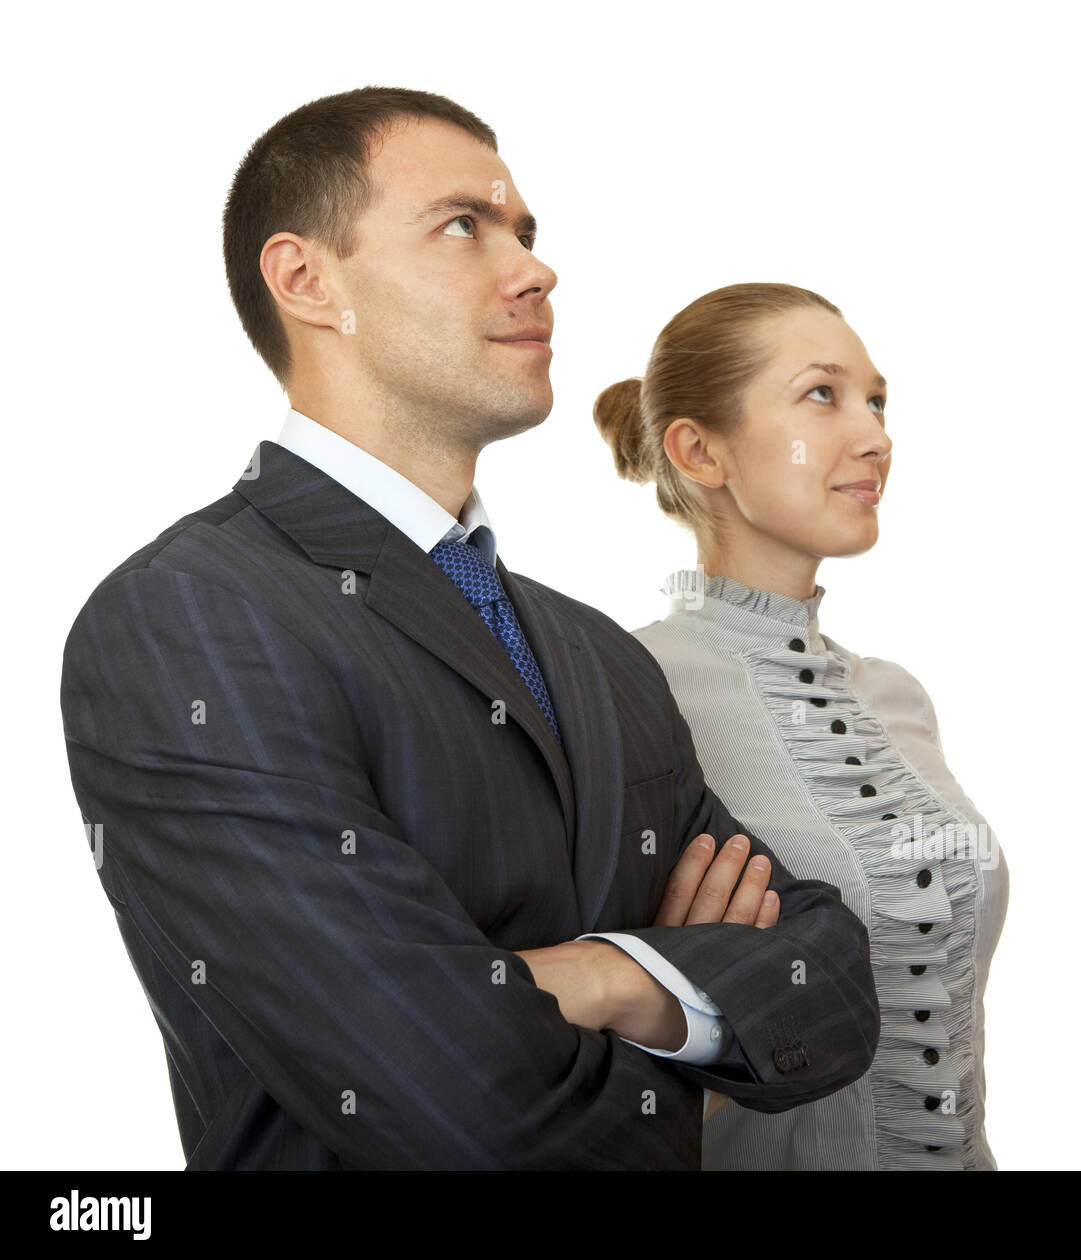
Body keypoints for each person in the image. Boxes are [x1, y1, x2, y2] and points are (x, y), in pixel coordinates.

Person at [59, 91, 880, 1170]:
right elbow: (461, 1112)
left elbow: (830, 989)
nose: (535, 270)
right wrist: (687, 1014)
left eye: (528, 234)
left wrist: (597, 976)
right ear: (309, 281)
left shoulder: (600, 655)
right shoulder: (188, 619)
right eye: (464, 225)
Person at [593, 283, 1010, 1169]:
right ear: (699, 449)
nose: (876, 436)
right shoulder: (621, 689)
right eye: (823, 395)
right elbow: (571, 1058)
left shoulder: (898, 695)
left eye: (878, 401)